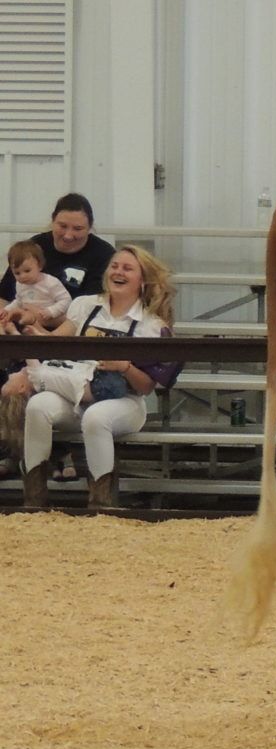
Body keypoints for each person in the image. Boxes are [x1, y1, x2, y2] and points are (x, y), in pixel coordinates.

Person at [3, 245, 177, 511]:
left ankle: (101, 506)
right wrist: (25, 327)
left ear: (143, 280)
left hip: (124, 400)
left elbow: (145, 387)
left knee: (96, 417)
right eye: (115, 266)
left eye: (127, 268)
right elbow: (53, 343)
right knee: (38, 406)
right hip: (74, 390)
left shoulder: (150, 325)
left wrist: (124, 367)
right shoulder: (85, 305)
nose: (118, 272)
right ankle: (34, 502)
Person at [0, 193, 116, 308]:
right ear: (53, 221)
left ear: (90, 227)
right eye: (62, 226)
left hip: (77, 323)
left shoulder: (104, 256)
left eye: (77, 229)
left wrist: (40, 319)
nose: (68, 235)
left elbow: (93, 309)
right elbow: (4, 296)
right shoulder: (33, 248)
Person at [2, 242, 75, 335]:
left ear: (40, 266)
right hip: (29, 320)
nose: (22, 276)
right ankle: (14, 332)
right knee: (12, 323)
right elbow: (19, 301)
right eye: (17, 273)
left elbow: (66, 300)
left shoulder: (50, 282)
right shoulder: (20, 284)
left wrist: (51, 311)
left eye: (27, 271)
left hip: (50, 322)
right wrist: (7, 310)